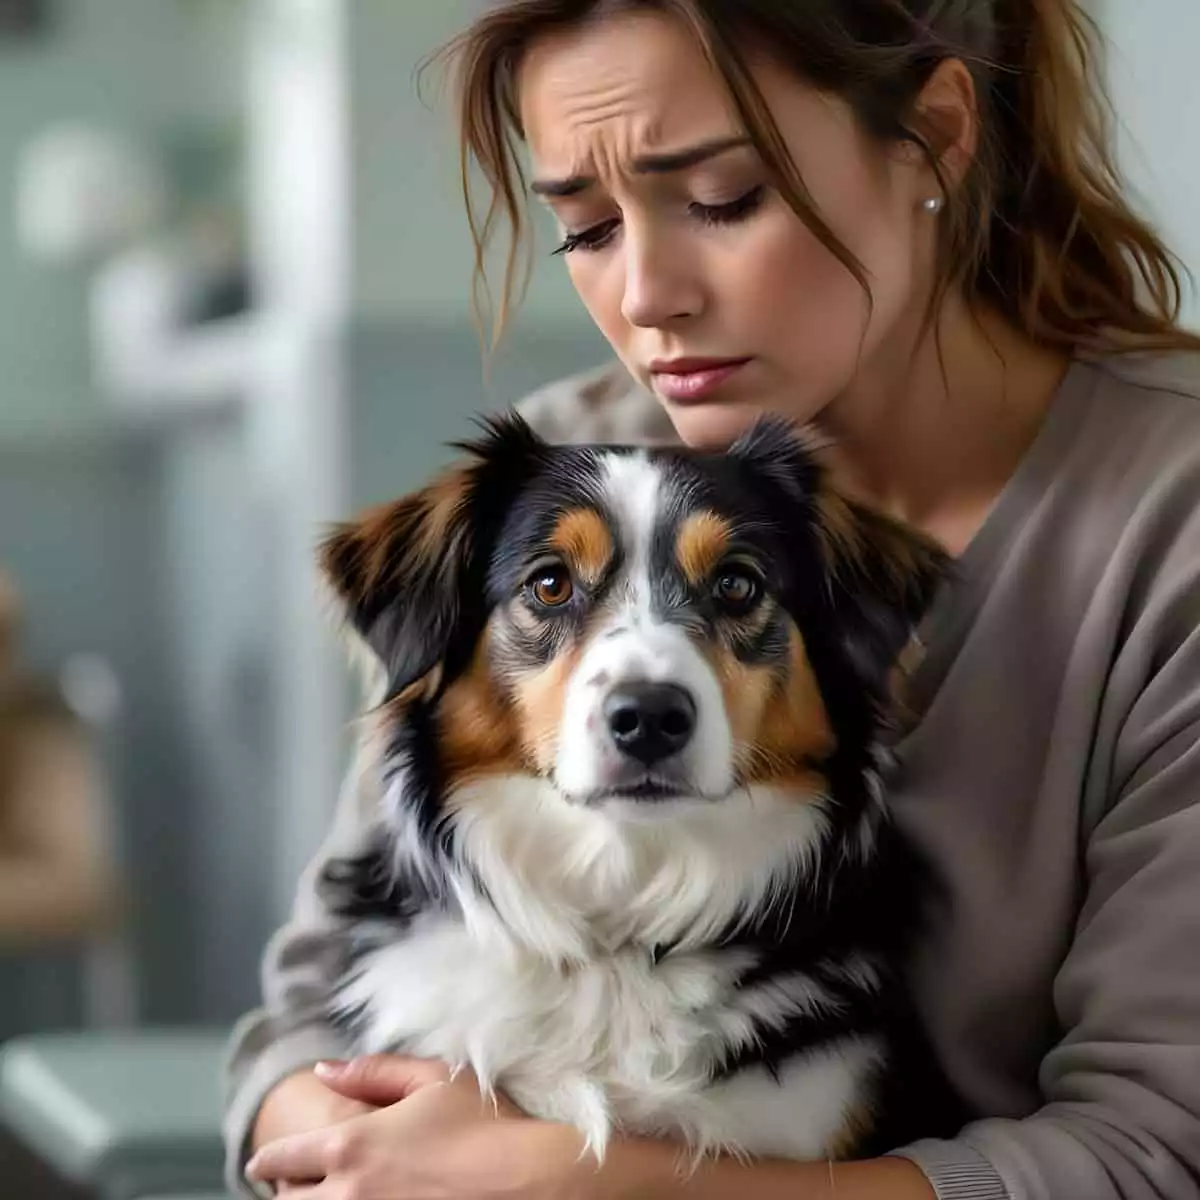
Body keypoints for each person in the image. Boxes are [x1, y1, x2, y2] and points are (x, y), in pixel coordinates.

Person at [224, 1, 1200, 1197]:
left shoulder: (1171, 530)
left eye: (724, 198)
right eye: (584, 225)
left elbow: (1159, 1150)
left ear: (938, 136)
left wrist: (592, 1185)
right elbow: (302, 1019)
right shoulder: (567, 458)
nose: (647, 296)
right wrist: (343, 1146)